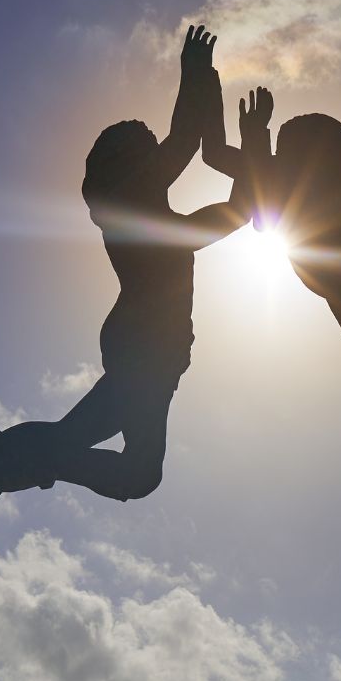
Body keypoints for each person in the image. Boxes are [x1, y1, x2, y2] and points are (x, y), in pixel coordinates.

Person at [52, 26, 264, 500]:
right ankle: (42, 458)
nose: (157, 152)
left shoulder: (169, 231)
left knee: (128, 466)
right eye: (146, 146)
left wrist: (247, 136)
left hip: (157, 350)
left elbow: (237, 209)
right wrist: (196, 74)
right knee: (139, 470)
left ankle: (42, 457)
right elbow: (187, 140)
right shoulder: (126, 202)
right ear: (126, 164)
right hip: (143, 344)